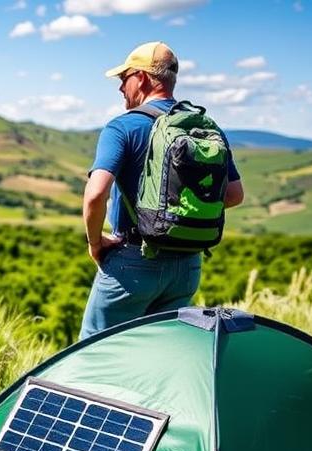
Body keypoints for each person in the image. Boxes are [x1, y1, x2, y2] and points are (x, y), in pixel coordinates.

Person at [79, 41, 244, 340]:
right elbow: (234, 195)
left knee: (92, 353)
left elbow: (95, 194)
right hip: (187, 267)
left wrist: (95, 243)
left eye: (123, 79)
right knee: (155, 359)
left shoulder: (123, 127)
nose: (120, 89)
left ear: (141, 78)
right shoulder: (204, 128)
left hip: (133, 262)